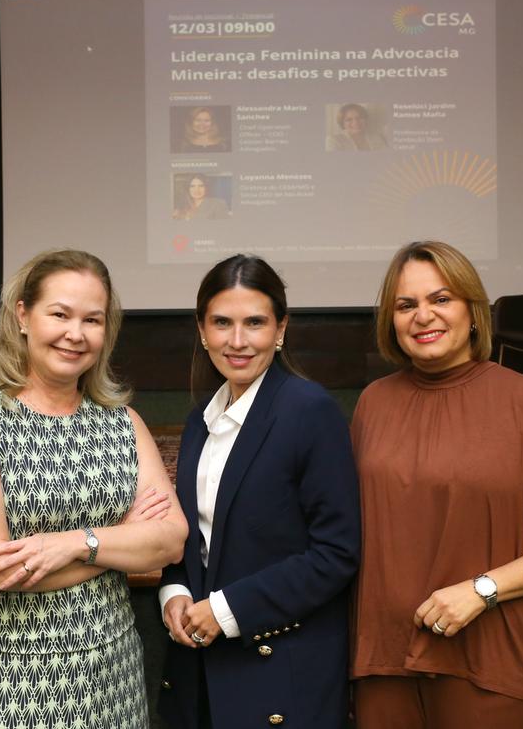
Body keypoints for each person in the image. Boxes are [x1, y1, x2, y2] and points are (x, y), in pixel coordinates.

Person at [0, 249, 188, 729]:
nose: (76, 334)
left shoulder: (124, 423)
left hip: (111, 676)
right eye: (60, 314)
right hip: (9, 682)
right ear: (23, 315)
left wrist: (74, 543)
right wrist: (120, 541)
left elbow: (170, 540)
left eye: (92, 320)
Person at [350, 241, 523, 728]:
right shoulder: (372, 404)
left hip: (488, 655)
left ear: (473, 311)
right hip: (384, 658)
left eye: (441, 299)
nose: (423, 316)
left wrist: (481, 591)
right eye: (406, 305)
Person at [157, 255, 361, 729]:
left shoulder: (309, 410)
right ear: (202, 331)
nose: (238, 341)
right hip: (201, 672)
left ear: (281, 328)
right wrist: (174, 591)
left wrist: (228, 610)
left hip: (282, 672)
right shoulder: (199, 420)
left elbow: (337, 554)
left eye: (255, 323)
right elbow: (195, 536)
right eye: (222, 323)